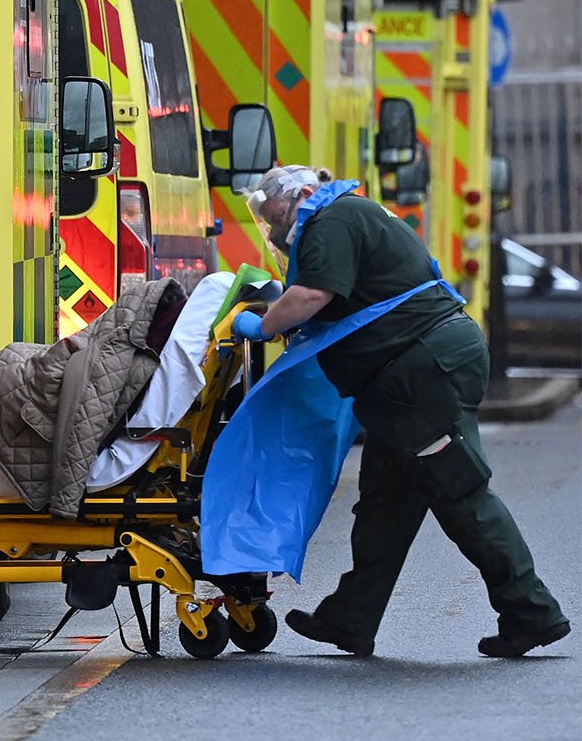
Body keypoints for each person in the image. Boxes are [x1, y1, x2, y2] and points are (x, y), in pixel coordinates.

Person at [231, 165, 570, 658]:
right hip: (404, 381)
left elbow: (311, 296)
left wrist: (262, 326)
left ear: (302, 194)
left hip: (420, 375)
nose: (274, 225)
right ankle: (351, 619)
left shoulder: (332, 219)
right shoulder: (345, 217)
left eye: (274, 212)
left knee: (461, 494)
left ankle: (532, 612)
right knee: (385, 504)